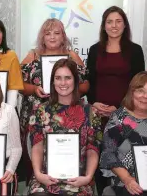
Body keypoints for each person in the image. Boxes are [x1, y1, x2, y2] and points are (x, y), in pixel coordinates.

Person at [18, 18, 89, 184]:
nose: (52, 37)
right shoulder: (32, 55)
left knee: (66, 151)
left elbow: (86, 85)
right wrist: (34, 89)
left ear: (63, 36)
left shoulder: (72, 56)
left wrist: (68, 90)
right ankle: (36, 183)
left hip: (68, 115)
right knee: (35, 153)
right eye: (47, 33)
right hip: (36, 115)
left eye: (56, 33)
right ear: (42, 37)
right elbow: (18, 83)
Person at [85, 5, 145, 195]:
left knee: (122, 158)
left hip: (125, 114)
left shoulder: (135, 50)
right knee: (99, 156)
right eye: (109, 22)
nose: (114, 25)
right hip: (97, 115)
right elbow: (90, 81)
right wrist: (94, 102)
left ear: (125, 25)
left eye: (118, 21)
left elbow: (138, 84)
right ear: (103, 26)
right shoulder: (95, 50)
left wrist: (119, 108)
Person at [27, 59, 102, 196]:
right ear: (52, 81)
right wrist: (38, 174)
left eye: (68, 78)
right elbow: (36, 146)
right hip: (46, 178)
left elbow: (93, 149)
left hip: (79, 179)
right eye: (58, 78)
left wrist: (88, 177)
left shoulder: (91, 112)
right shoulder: (40, 111)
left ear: (76, 80)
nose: (62, 83)